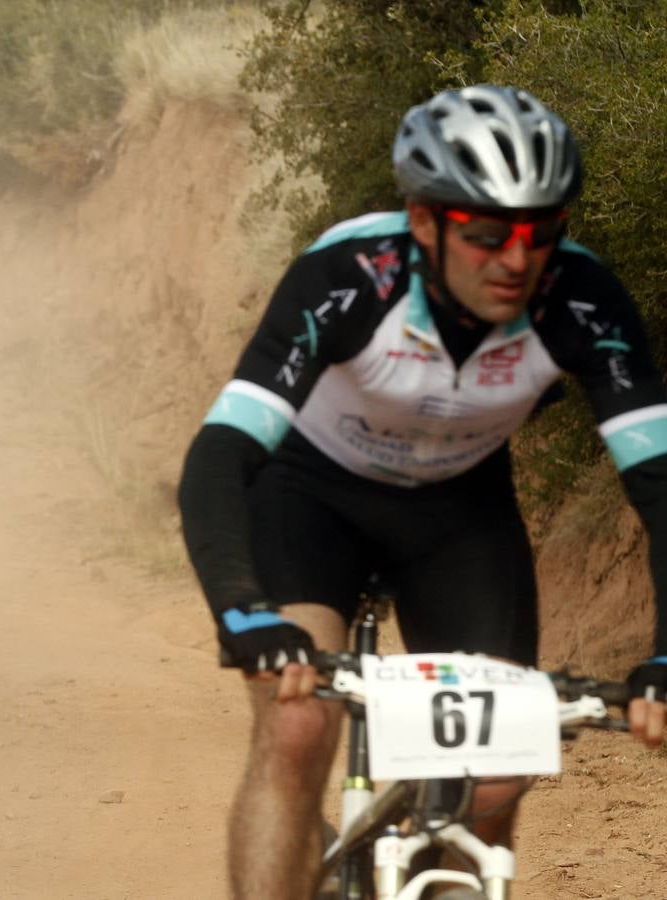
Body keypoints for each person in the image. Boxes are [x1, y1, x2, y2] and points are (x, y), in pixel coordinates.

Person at [176, 84, 667, 899]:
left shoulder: (583, 299)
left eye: (542, 233)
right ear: (424, 222)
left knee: (499, 771)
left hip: (456, 511)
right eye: (486, 235)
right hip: (312, 497)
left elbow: (657, 484)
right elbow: (220, 456)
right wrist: (242, 612)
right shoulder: (346, 277)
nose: (517, 259)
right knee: (297, 727)